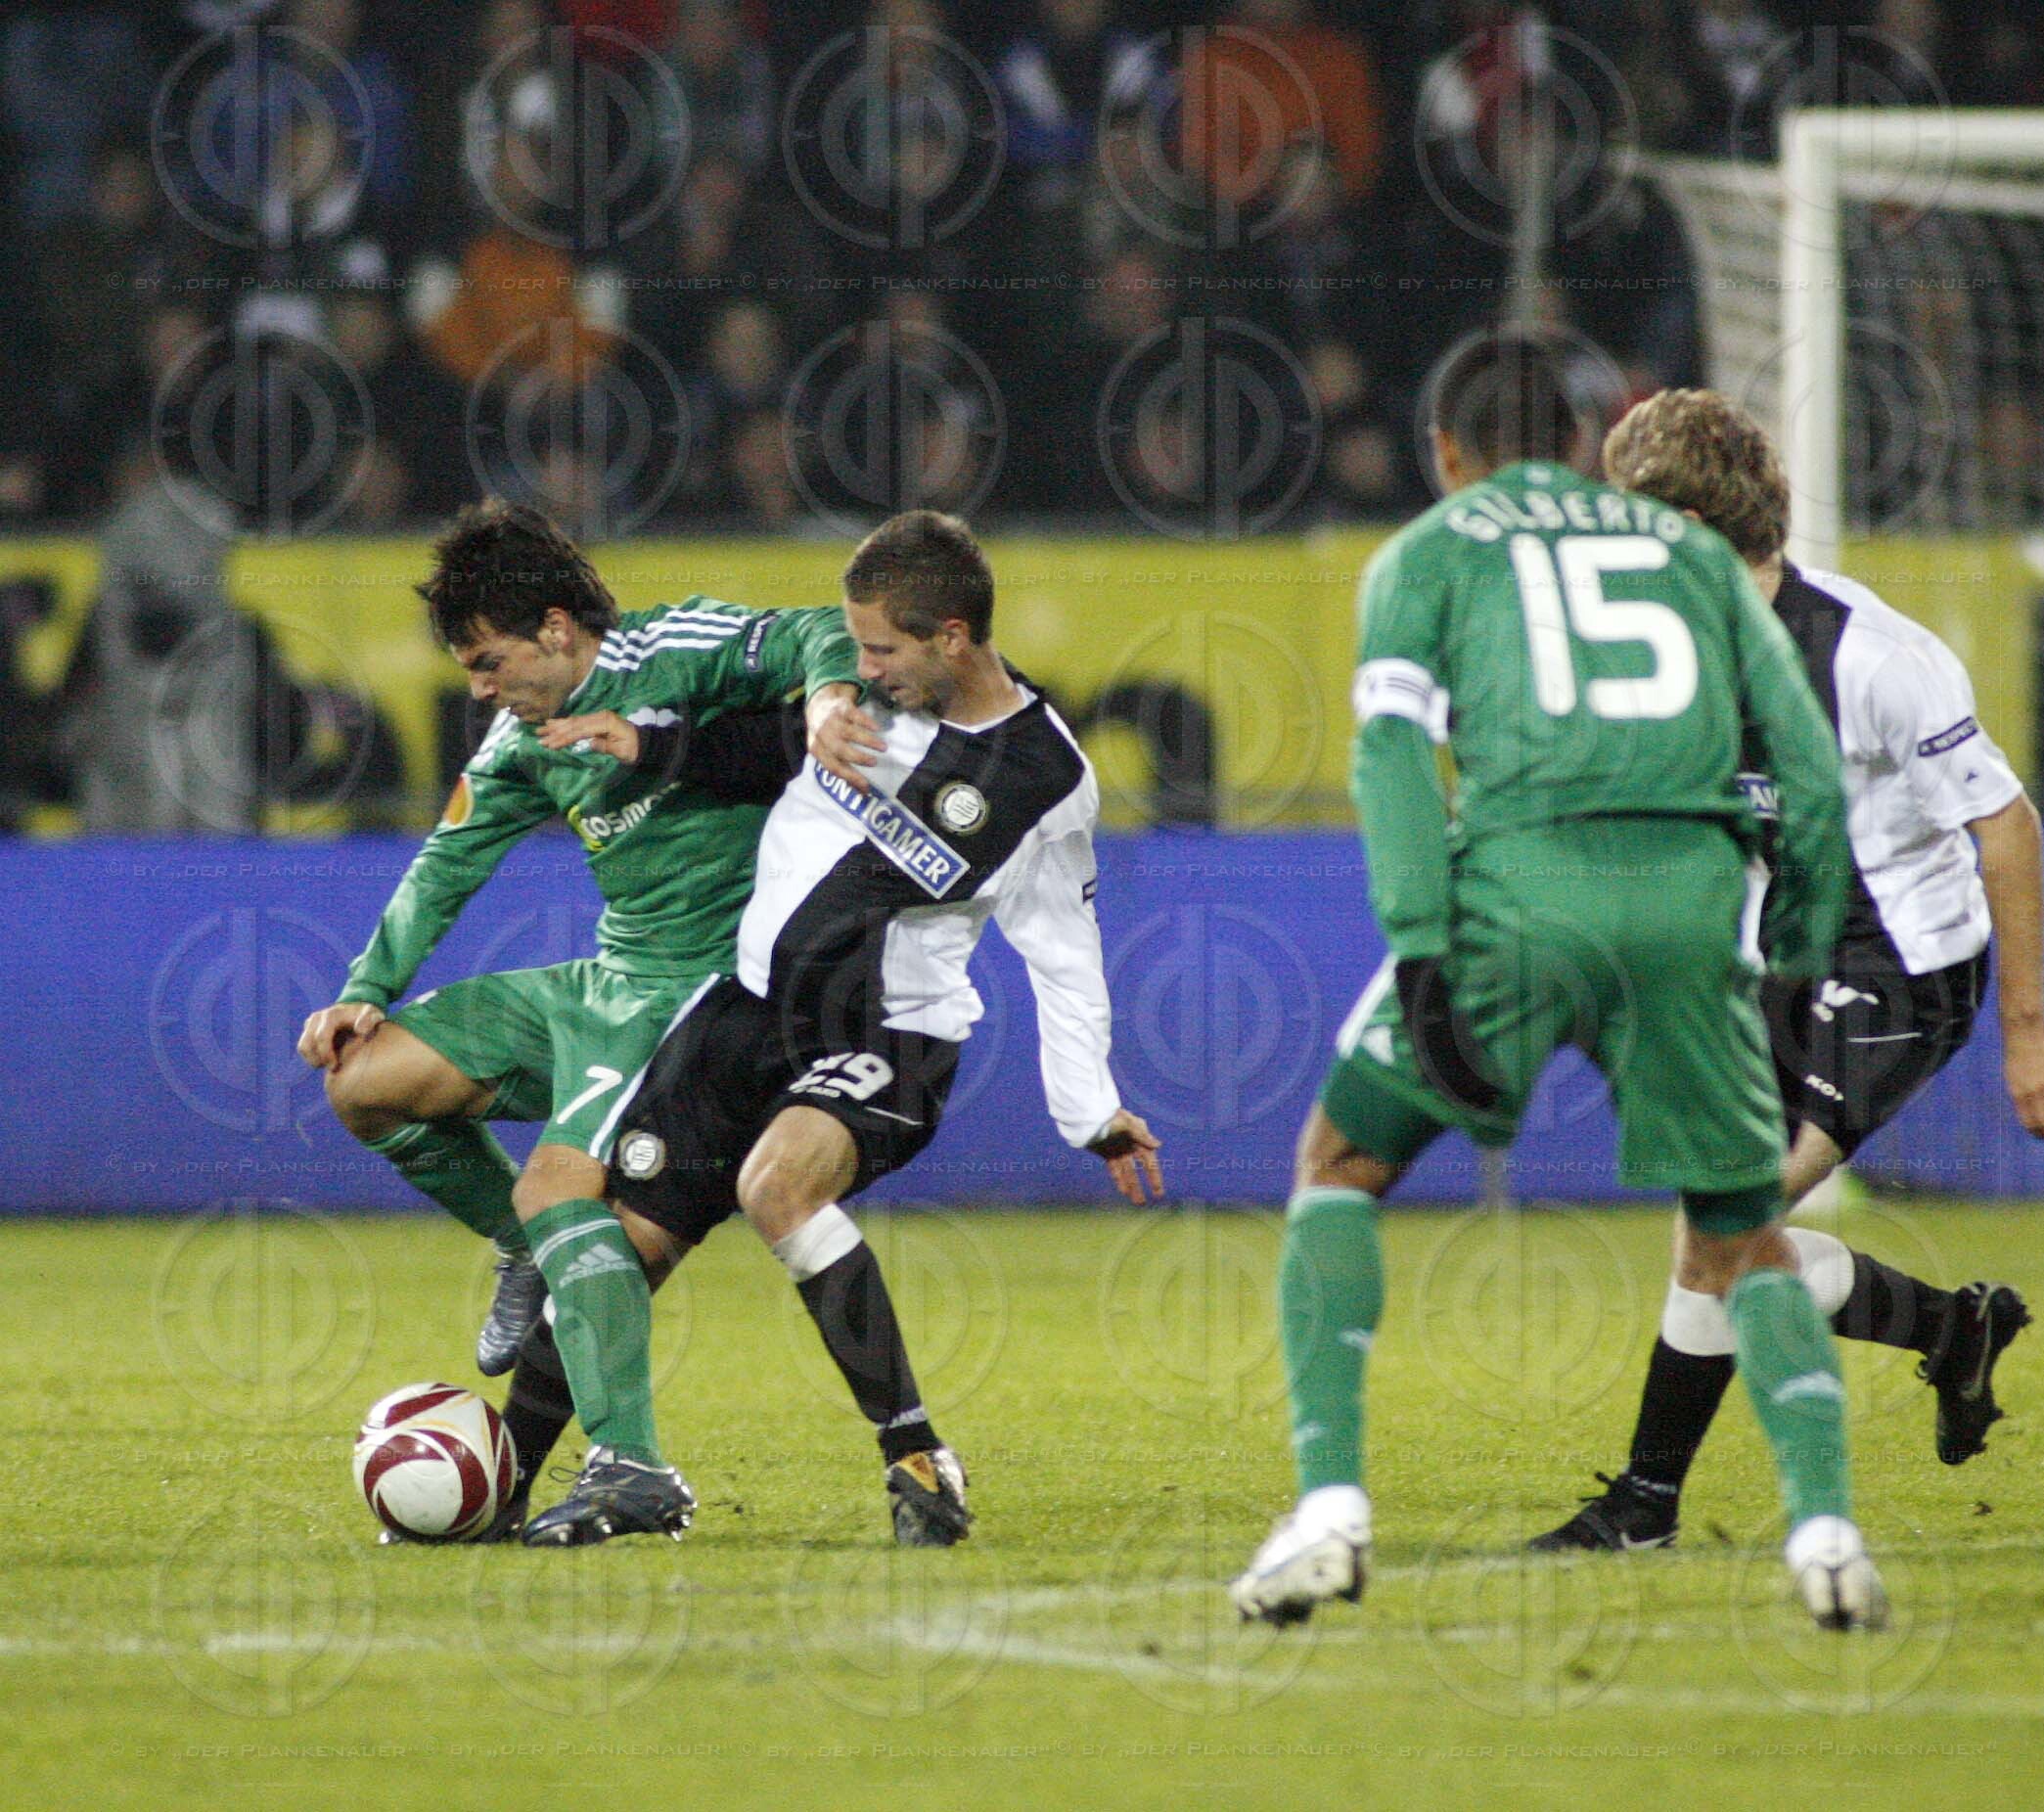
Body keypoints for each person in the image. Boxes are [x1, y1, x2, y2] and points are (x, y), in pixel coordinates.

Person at [1229, 327, 1879, 1633]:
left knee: (1338, 1165)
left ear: (1443, 450)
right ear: (1588, 444)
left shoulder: (1424, 555)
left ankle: (1331, 1515)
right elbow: (1808, 763)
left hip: (1518, 896)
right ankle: (1825, 1536)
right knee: (1743, 1226)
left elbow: (1396, 759)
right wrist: (1795, 950)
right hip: (1694, 903)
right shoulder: (1698, 554)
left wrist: (1421, 945)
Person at [491, 509, 1165, 1548]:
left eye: (881, 649)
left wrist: (1091, 1107)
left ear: (951, 637)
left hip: (889, 1033)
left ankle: (916, 1456)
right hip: (744, 1012)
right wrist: (655, 742)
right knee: (621, 1249)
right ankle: (495, 1488)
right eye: (855, 649)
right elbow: (763, 746)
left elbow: (1062, 945)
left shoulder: (1039, 775)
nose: (862, 669)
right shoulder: (858, 704)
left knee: (777, 1184)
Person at [1531, 388, 2044, 1552]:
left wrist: (2026, 1028)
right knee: (1717, 1228)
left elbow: (2007, 825)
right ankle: (1949, 1329)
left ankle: (1642, 1506)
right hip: (1781, 950)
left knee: (1725, 1217)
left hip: (1902, 967)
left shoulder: (1875, 660)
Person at [295, 501, 871, 1395]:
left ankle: (625, 1464)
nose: (481, 688)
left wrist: (833, 695)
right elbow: (447, 863)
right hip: (613, 979)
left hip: (702, 997)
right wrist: (367, 986)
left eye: (490, 663)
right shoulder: (521, 741)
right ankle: (524, 1252)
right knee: (362, 1082)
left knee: (563, 1193)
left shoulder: (676, 649)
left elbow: (820, 629)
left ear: (557, 630)